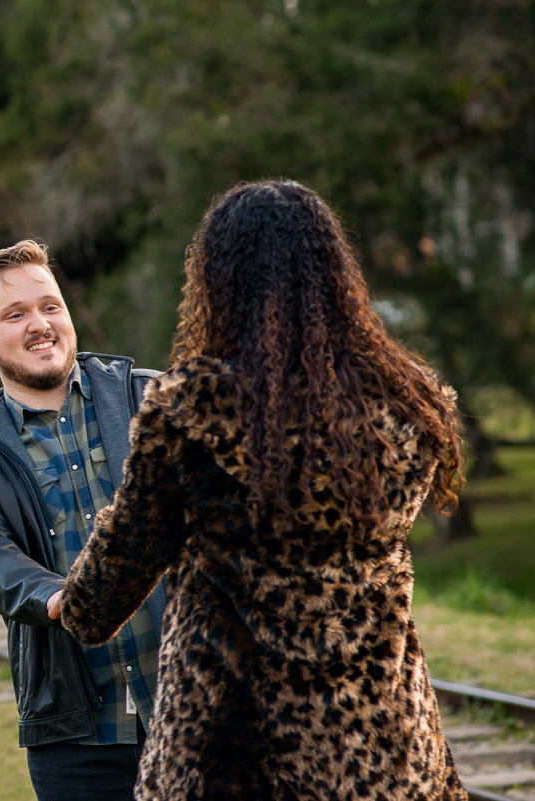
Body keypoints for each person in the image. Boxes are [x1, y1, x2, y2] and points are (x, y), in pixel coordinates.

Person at [60, 180, 467, 800]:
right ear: (337, 278)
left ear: (218, 283)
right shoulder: (408, 407)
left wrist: (82, 587)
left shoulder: (193, 410)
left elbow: (107, 587)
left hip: (230, 755)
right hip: (381, 752)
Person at [0, 240, 168, 801]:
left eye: (49, 307)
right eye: (14, 315)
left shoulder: (155, 400)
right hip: (76, 744)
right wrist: (65, 598)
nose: (39, 325)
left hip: (199, 714)